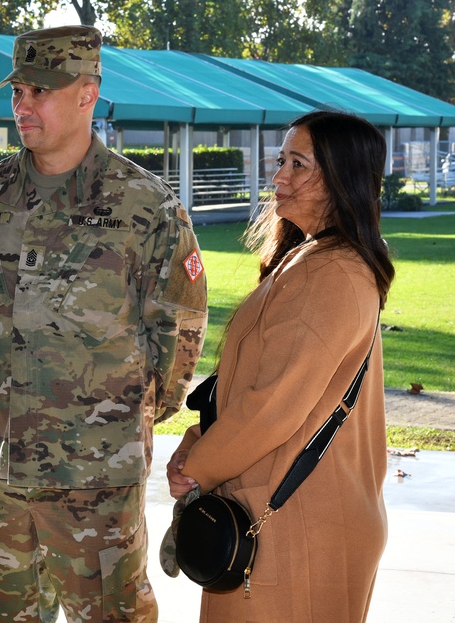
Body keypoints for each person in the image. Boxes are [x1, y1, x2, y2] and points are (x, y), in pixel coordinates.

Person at [0, 25, 208, 622]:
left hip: (94, 477)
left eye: (39, 90)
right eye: (17, 90)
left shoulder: (144, 206)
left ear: (86, 94)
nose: (23, 104)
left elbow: (179, 329)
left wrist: (129, 417)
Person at [166, 110, 394, 622]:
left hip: (298, 524)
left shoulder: (333, 272)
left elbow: (272, 406)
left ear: (342, 178)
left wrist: (196, 469)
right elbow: (250, 386)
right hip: (279, 511)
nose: (278, 177)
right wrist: (198, 444)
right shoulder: (311, 258)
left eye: (298, 164)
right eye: (280, 160)